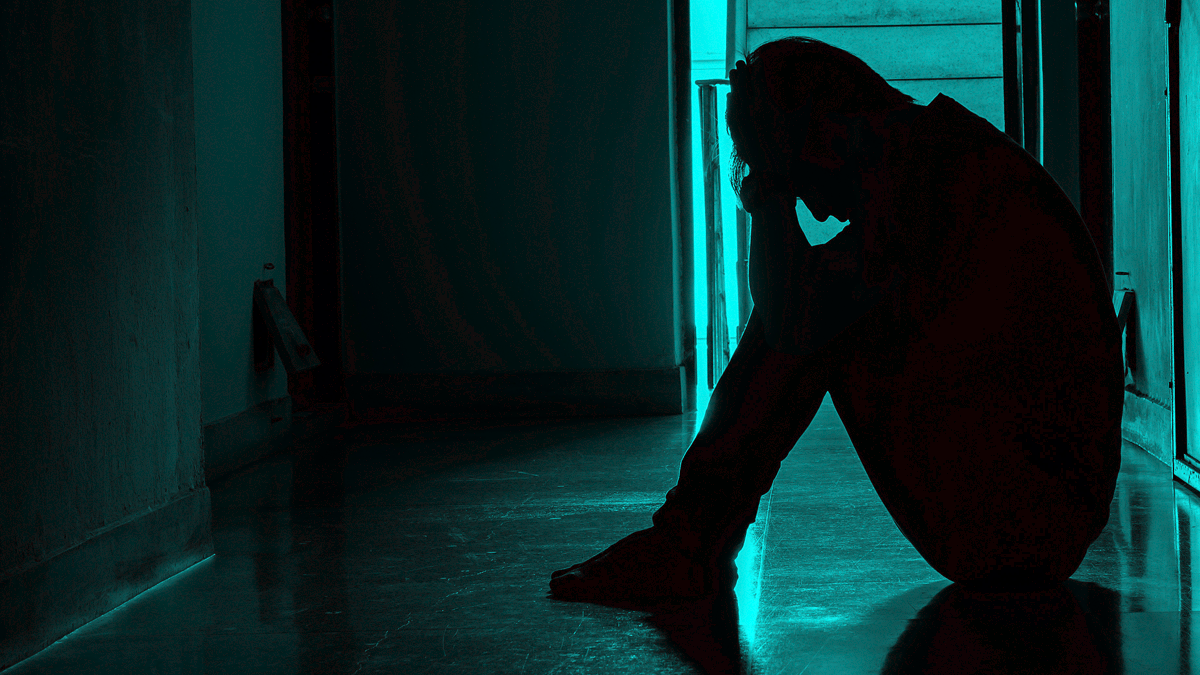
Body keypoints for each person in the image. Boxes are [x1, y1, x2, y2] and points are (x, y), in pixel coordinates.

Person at [549, 37, 1124, 603]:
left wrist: (771, 187)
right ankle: (689, 539)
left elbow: (790, 322)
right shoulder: (937, 151)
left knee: (813, 303)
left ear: (824, 128)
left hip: (1024, 532)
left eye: (803, 176)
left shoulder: (924, 165)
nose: (819, 207)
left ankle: (689, 543)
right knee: (816, 292)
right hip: (1033, 516)